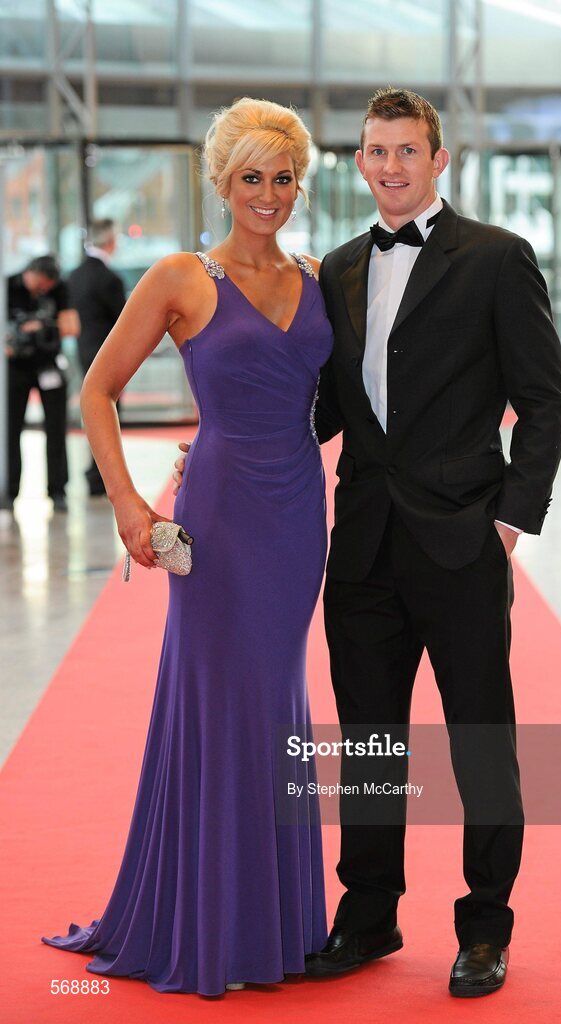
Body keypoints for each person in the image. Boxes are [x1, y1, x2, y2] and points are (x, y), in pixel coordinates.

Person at [175, 87, 561, 998]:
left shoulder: (499, 259)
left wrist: (512, 518)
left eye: (407, 151)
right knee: (371, 745)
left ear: (439, 162)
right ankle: (368, 913)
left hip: (464, 541)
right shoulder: (338, 269)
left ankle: (484, 927)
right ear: (359, 164)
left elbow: (546, 401)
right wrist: (234, 438)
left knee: (479, 742)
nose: (390, 166)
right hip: (359, 548)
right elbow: (323, 406)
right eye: (375, 152)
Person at [41, 97, 333, 996]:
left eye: (284, 178)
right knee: (218, 706)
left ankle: (275, 926)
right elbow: (97, 391)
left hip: (296, 520)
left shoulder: (323, 276)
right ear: (221, 181)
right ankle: (207, 921)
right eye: (253, 177)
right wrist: (129, 504)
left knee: (278, 705)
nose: (269, 195)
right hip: (215, 519)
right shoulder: (180, 276)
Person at [4, 255, 80, 512]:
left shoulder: (60, 289)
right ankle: (8, 491)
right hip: (16, 367)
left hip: (49, 364)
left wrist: (43, 326)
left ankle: (58, 490)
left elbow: (71, 327)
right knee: (10, 430)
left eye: (48, 286)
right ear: (30, 273)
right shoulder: (8, 286)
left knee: (56, 428)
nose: (44, 289)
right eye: (41, 284)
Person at [68, 218, 126, 494]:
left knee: (92, 408)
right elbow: (124, 322)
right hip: (108, 351)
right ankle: (100, 475)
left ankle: (94, 472)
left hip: (83, 348)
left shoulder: (75, 275)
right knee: (111, 411)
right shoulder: (110, 279)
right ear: (110, 242)